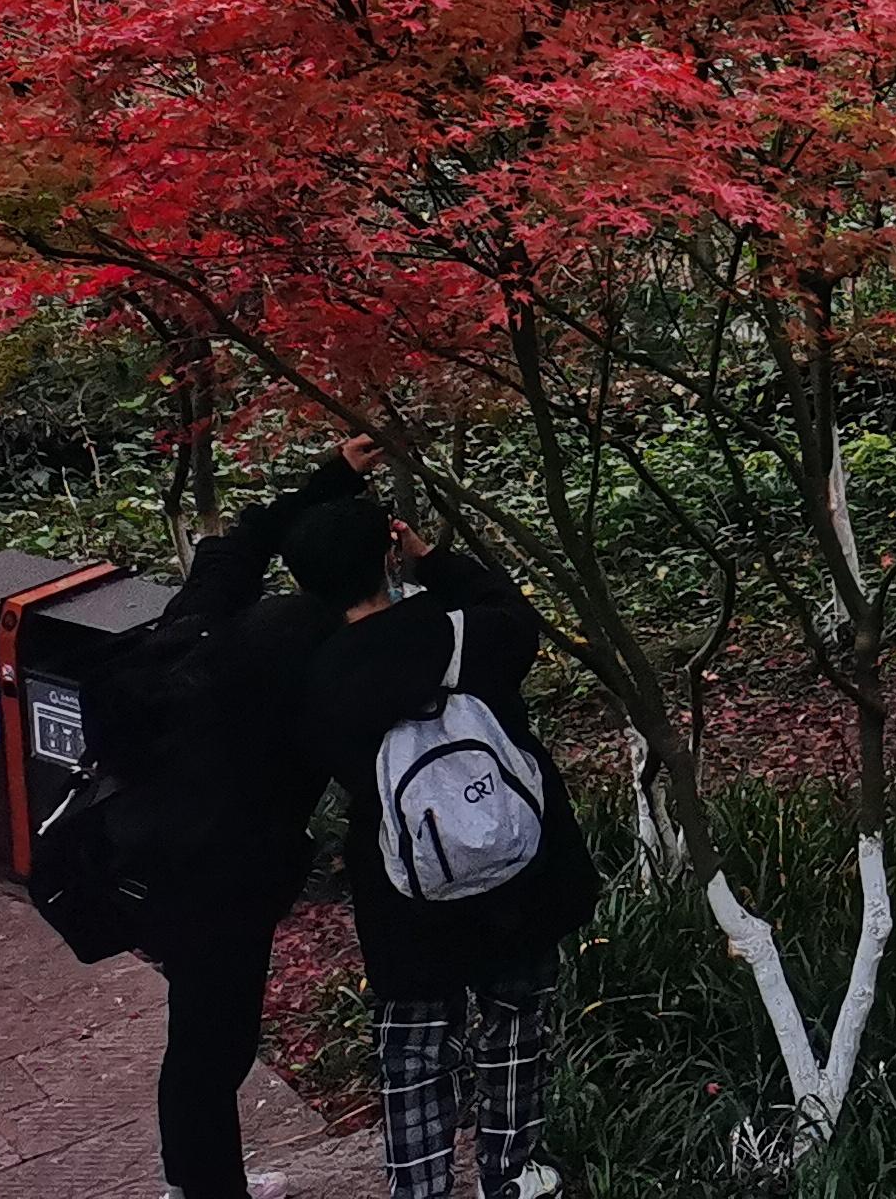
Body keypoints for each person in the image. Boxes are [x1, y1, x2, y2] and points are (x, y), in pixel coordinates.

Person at [294, 500, 598, 1199]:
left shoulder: (318, 681)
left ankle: (420, 1186)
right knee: (516, 1028)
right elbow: (515, 613)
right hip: (515, 875)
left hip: (406, 893)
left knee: (414, 1052)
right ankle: (512, 1174)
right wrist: (434, 562)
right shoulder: (461, 634)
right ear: (387, 557)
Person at [124, 434, 383, 1199]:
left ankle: (203, 1177)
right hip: (219, 872)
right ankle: (203, 1187)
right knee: (213, 1038)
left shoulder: (207, 622)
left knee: (202, 1032)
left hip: (156, 843)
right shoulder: (315, 677)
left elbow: (243, 543)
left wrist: (329, 477)